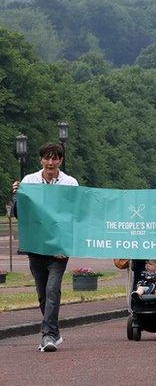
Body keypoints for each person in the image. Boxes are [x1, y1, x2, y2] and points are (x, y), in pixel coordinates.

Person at [9, 142, 78, 352]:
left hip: (58, 247)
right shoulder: (29, 180)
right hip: (36, 245)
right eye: (47, 158)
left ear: (60, 160)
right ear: (41, 160)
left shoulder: (70, 183)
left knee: (52, 288)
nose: (50, 162)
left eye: (55, 158)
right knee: (42, 292)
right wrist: (17, 196)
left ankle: (47, 335)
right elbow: (20, 214)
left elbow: (74, 214)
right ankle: (54, 333)